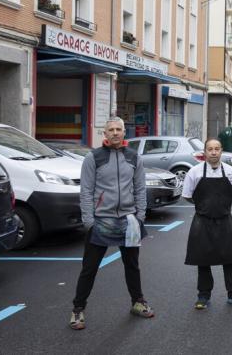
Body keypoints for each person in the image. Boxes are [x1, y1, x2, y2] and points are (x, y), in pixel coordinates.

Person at [70, 117, 153, 330]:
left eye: (119, 129)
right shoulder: (93, 158)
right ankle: (78, 309)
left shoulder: (134, 157)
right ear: (104, 134)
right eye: (111, 130)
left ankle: (138, 302)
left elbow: (140, 189)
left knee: (132, 266)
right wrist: (89, 221)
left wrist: (140, 216)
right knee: (89, 268)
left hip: (128, 221)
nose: (115, 133)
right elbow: (86, 191)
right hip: (101, 221)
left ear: (124, 132)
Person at [182, 138, 232, 309]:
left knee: (230, 259)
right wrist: (205, 207)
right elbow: (188, 195)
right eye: (210, 149)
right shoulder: (194, 172)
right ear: (204, 152)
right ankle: (203, 296)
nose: (213, 152)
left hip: (225, 220)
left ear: (221, 151)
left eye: (216, 149)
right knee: (203, 260)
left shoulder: (231, 172)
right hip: (201, 222)